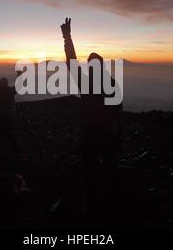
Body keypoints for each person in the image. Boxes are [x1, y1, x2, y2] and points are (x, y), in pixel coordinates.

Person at [60, 18, 123, 214]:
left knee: (89, 169)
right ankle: (112, 203)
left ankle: (91, 204)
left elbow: (71, 61)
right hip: (104, 132)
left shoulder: (85, 81)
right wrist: (117, 129)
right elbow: (118, 107)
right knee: (109, 167)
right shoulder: (109, 82)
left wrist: (67, 37)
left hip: (91, 131)